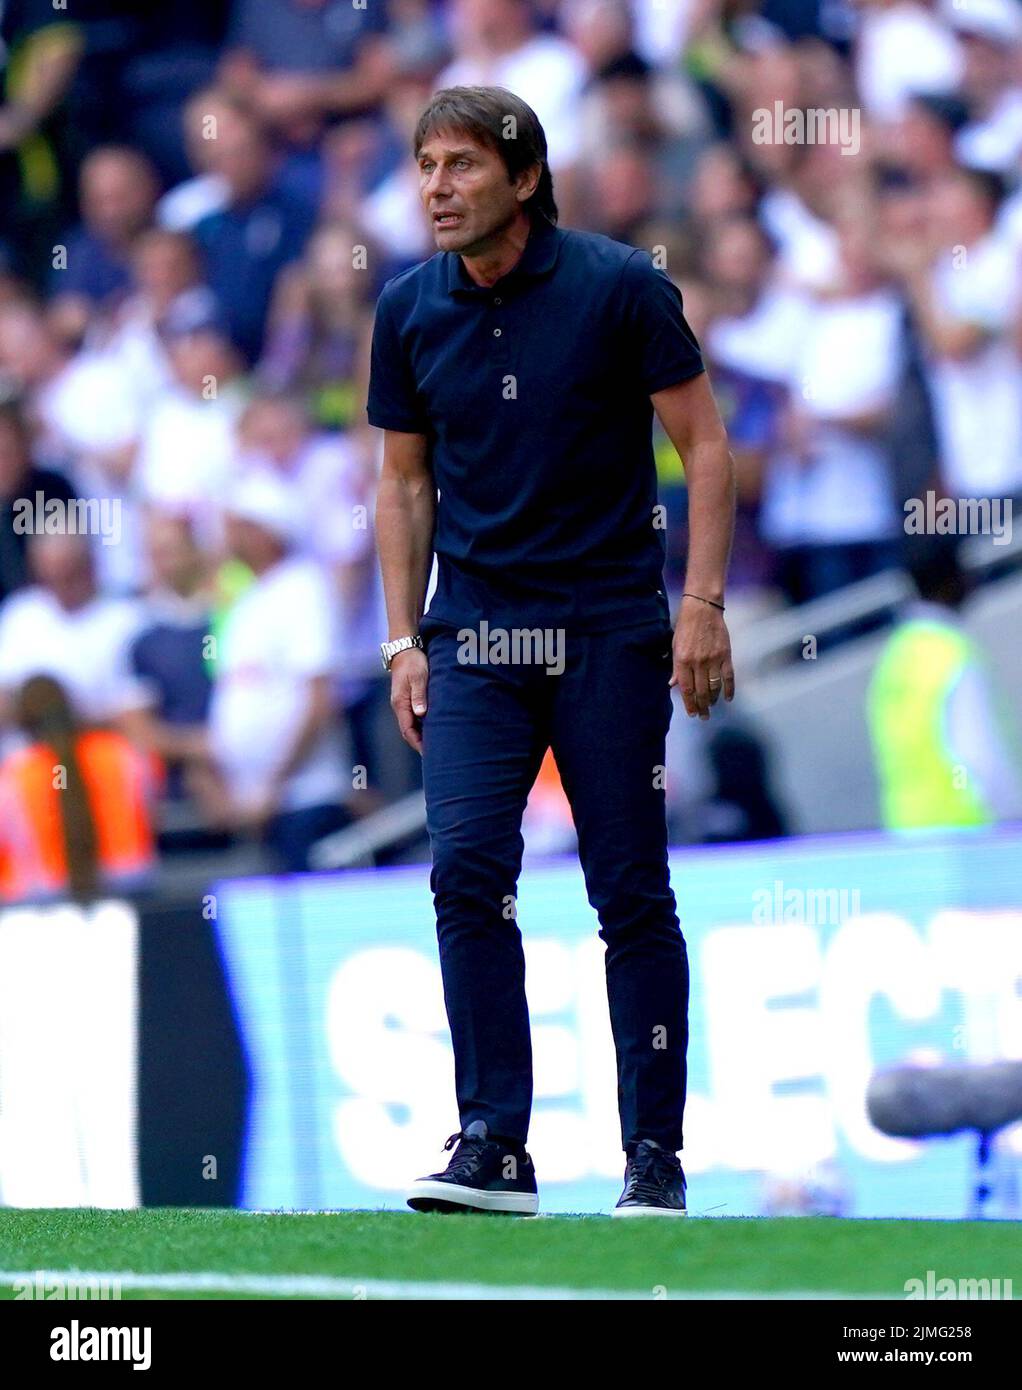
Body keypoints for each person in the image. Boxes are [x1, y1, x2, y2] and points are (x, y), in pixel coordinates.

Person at [368, 86, 736, 1216]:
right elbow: (401, 481)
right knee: (465, 872)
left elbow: (707, 447)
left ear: (522, 179)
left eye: (461, 166)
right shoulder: (404, 308)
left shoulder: (619, 286)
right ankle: (493, 1144)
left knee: (629, 889)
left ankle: (653, 1157)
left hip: (607, 632)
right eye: (425, 165)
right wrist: (401, 638)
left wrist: (703, 604)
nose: (435, 187)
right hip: (472, 637)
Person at [208, 470, 352, 872]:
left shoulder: (304, 588)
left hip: (306, 800)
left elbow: (320, 700)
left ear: (265, 531)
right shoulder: (245, 599)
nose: (227, 534)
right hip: (258, 808)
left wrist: (272, 785)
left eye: (239, 525)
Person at [867, 534, 1022, 829]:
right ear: (952, 578)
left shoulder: (895, 656)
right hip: (967, 834)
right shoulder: (950, 654)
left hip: (908, 834)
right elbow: (980, 757)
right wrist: (1013, 822)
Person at [0, 674, 156, 904]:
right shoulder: (121, 753)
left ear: (23, 719)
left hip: (44, 900)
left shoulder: (16, 774)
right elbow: (150, 811)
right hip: (135, 889)